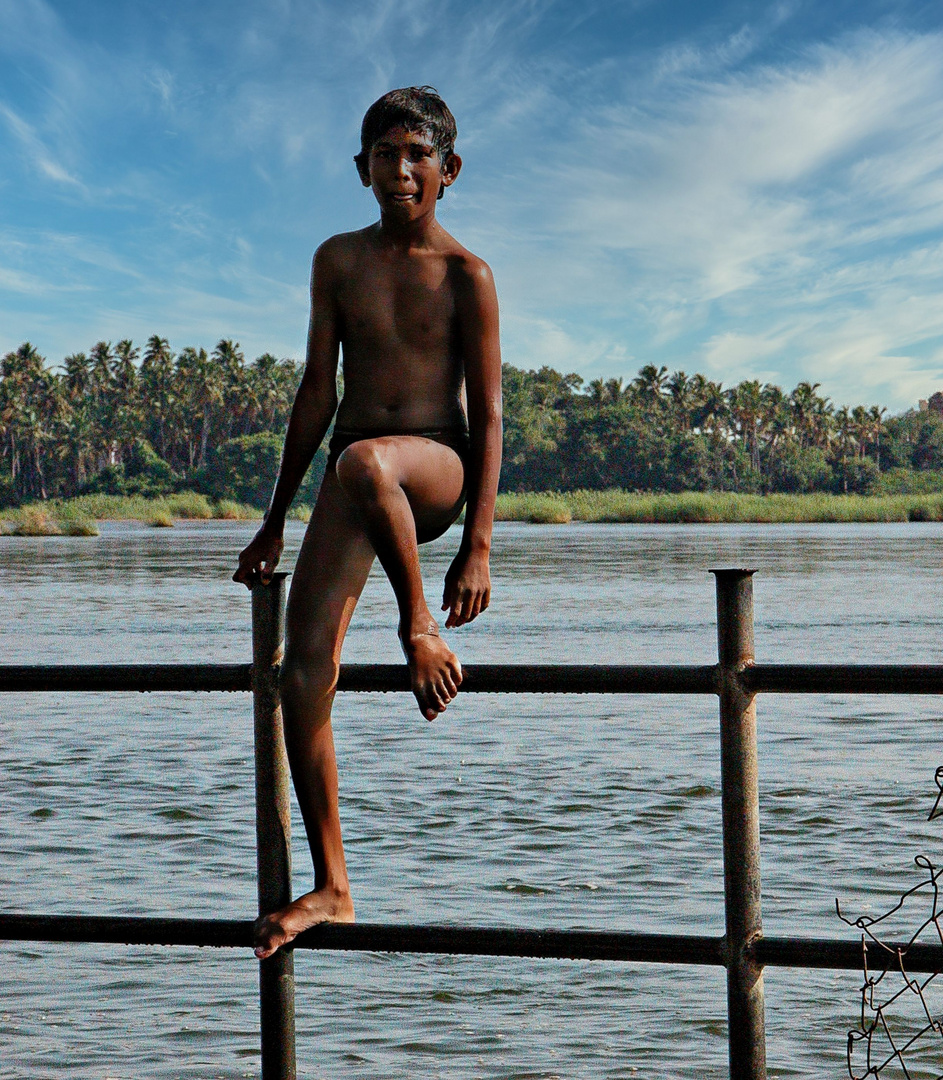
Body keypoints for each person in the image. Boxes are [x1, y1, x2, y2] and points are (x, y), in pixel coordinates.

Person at [233, 86, 503, 959]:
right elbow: (318, 392)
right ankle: (334, 884)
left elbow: (492, 417)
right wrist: (274, 519)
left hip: (433, 468)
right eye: (385, 155)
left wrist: (477, 547)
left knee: (368, 459)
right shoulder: (336, 261)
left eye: (417, 156)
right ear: (361, 170)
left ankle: (415, 626)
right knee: (300, 674)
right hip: (355, 482)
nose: (401, 170)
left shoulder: (467, 275)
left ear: (448, 170)